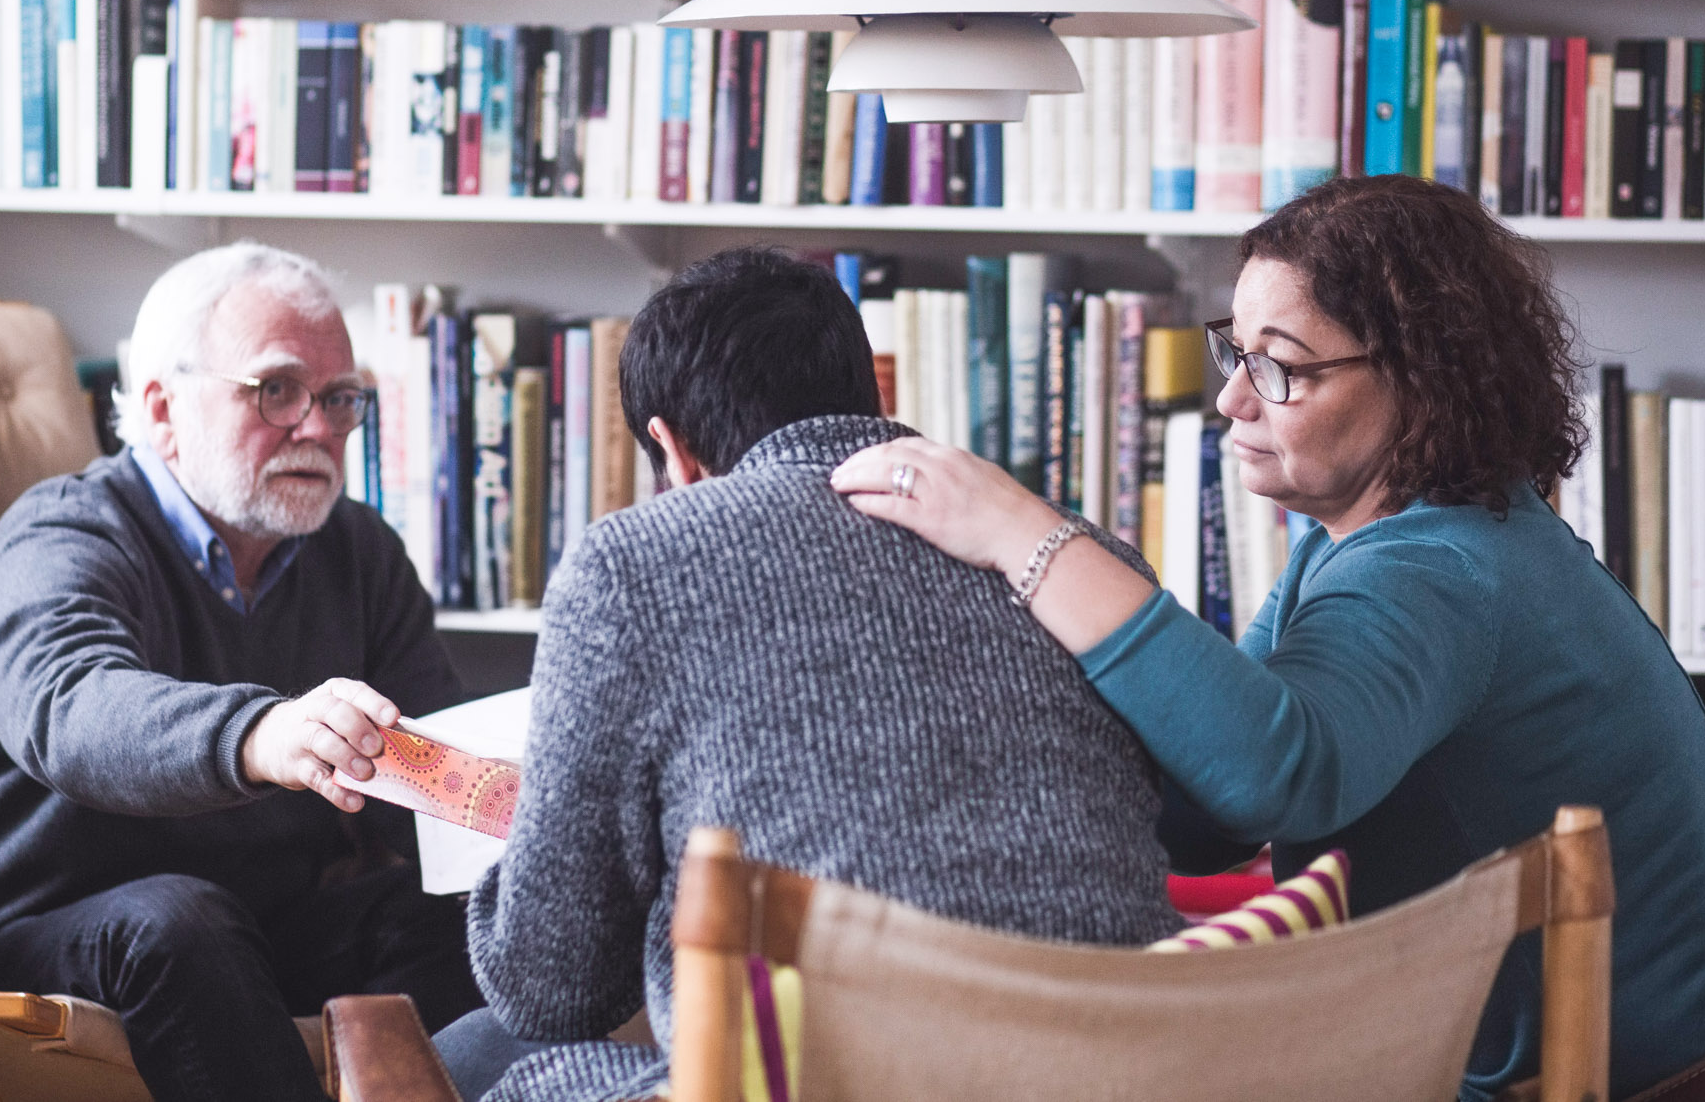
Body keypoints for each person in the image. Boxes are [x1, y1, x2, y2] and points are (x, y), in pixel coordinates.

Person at [830, 173, 1705, 1099]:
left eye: (1280, 366)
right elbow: (1217, 816)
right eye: (1235, 351)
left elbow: (1269, 773)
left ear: (1420, 379)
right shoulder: (1383, 540)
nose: (1232, 402)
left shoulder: (1439, 569)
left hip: (1678, 1079)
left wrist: (1020, 532)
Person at [436, 246, 1182, 1102]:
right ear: (869, 398)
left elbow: (549, 986)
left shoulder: (632, 564)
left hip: (837, 1080)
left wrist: (538, 829)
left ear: (670, 453)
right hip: (1116, 1072)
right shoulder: (1077, 563)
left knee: (498, 1069)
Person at [0, 243, 483, 1102]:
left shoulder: (357, 553)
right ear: (163, 407)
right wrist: (260, 732)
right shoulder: (61, 534)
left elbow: (433, 775)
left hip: (240, 932)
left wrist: (534, 817)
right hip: (5, 949)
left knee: (468, 915)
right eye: (276, 390)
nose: (319, 428)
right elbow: (70, 707)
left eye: (339, 398)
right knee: (173, 920)